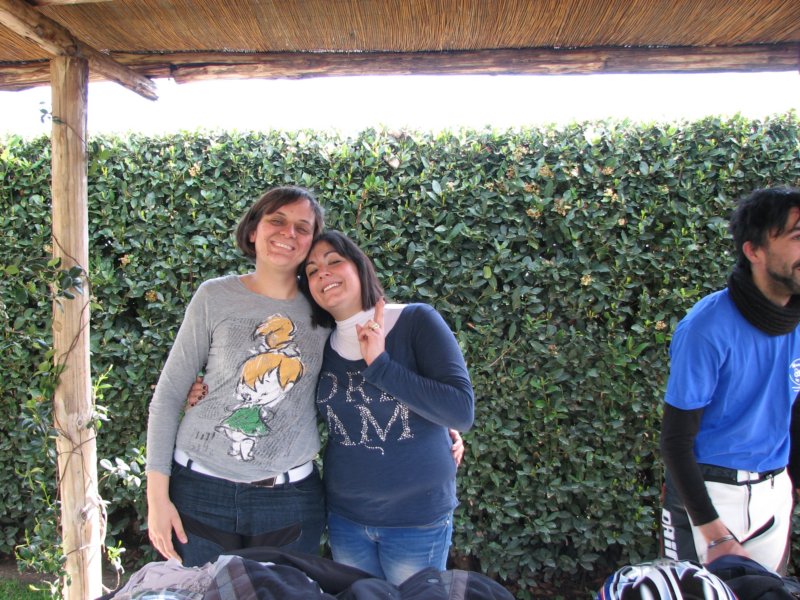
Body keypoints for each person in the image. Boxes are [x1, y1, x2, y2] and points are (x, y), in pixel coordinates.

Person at [145, 185, 331, 567]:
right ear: (253, 231)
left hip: (289, 500)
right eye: (277, 220)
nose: (288, 233)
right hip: (198, 492)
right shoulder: (214, 296)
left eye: (302, 227)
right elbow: (168, 396)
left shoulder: (326, 308)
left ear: (312, 241)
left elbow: (369, 361)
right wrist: (156, 499)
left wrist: (434, 423)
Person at [299, 230, 475, 585]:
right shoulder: (319, 344)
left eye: (334, 261)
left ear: (359, 266)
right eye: (312, 270)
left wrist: (381, 365)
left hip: (417, 520)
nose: (323, 273)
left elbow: (460, 411)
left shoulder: (415, 321)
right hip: (346, 519)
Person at [660, 186, 800, 574]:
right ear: (754, 251)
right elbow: (675, 441)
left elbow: (794, 409)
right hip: (709, 499)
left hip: (774, 495)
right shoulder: (706, 328)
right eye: (797, 236)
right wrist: (713, 533)